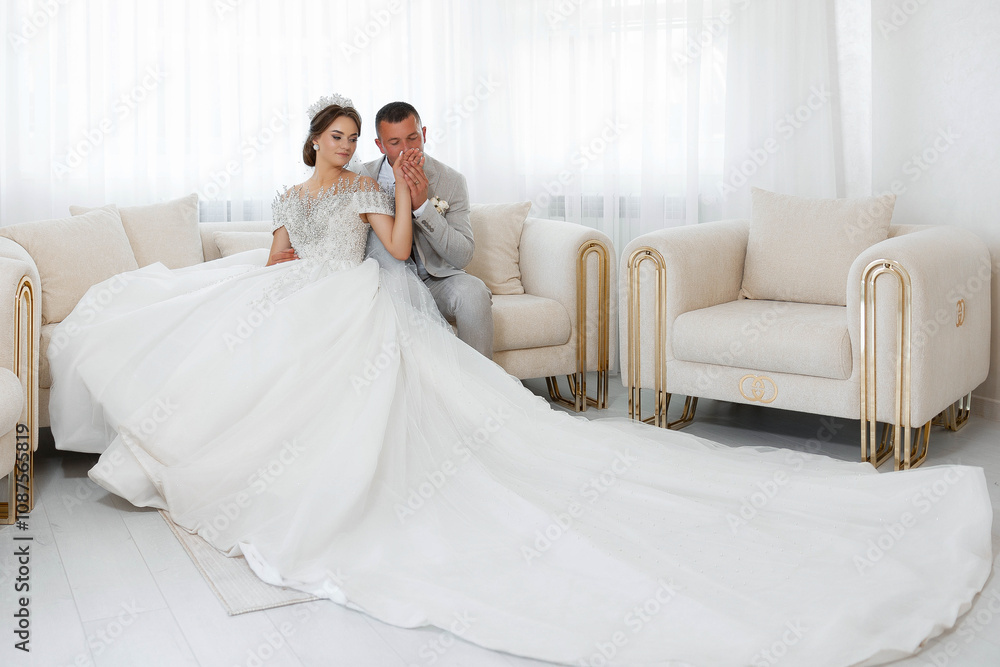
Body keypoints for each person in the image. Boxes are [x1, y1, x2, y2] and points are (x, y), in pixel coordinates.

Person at [47, 95, 992, 667]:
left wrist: (403, 199)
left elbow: (407, 249)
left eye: (353, 136)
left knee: (390, 385)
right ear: (315, 144)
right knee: (247, 362)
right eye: (334, 136)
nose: (344, 147)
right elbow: (280, 257)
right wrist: (277, 286)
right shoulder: (293, 197)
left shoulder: (383, 186)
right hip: (303, 293)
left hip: (357, 295)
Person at [360, 101, 494, 359]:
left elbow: (463, 255)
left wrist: (423, 206)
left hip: (435, 279)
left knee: (474, 293)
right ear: (380, 145)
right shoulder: (362, 177)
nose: (407, 150)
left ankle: (478, 387)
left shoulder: (451, 180)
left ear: (424, 133)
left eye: (413, 138)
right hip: (383, 281)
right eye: (395, 142)